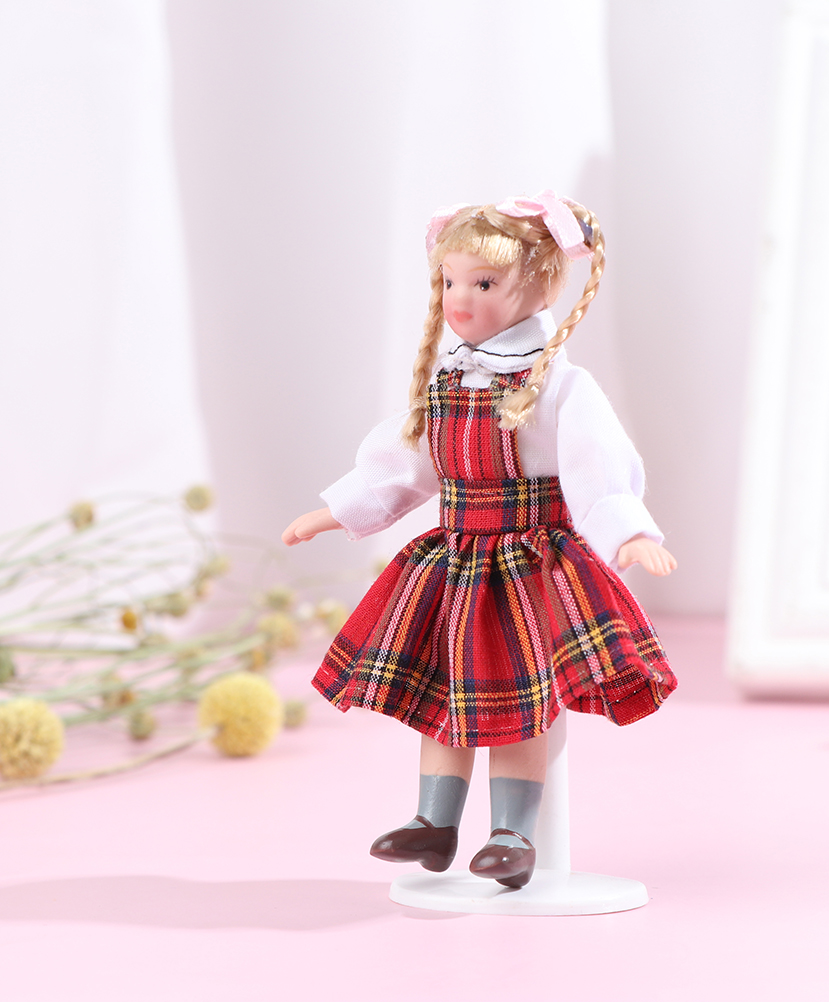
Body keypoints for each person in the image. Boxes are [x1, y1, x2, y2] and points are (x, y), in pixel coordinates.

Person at [283, 191, 677, 888]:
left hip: (530, 562)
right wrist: (337, 511)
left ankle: (512, 835)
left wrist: (627, 531)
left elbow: (598, 467)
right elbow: (406, 463)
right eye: (450, 281)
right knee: (447, 696)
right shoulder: (450, 379)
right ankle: (434, 822)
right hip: (458, 558)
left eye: (484, 283)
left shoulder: (560, 385)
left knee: (520, 705)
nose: (461, 298)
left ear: (539, 287)